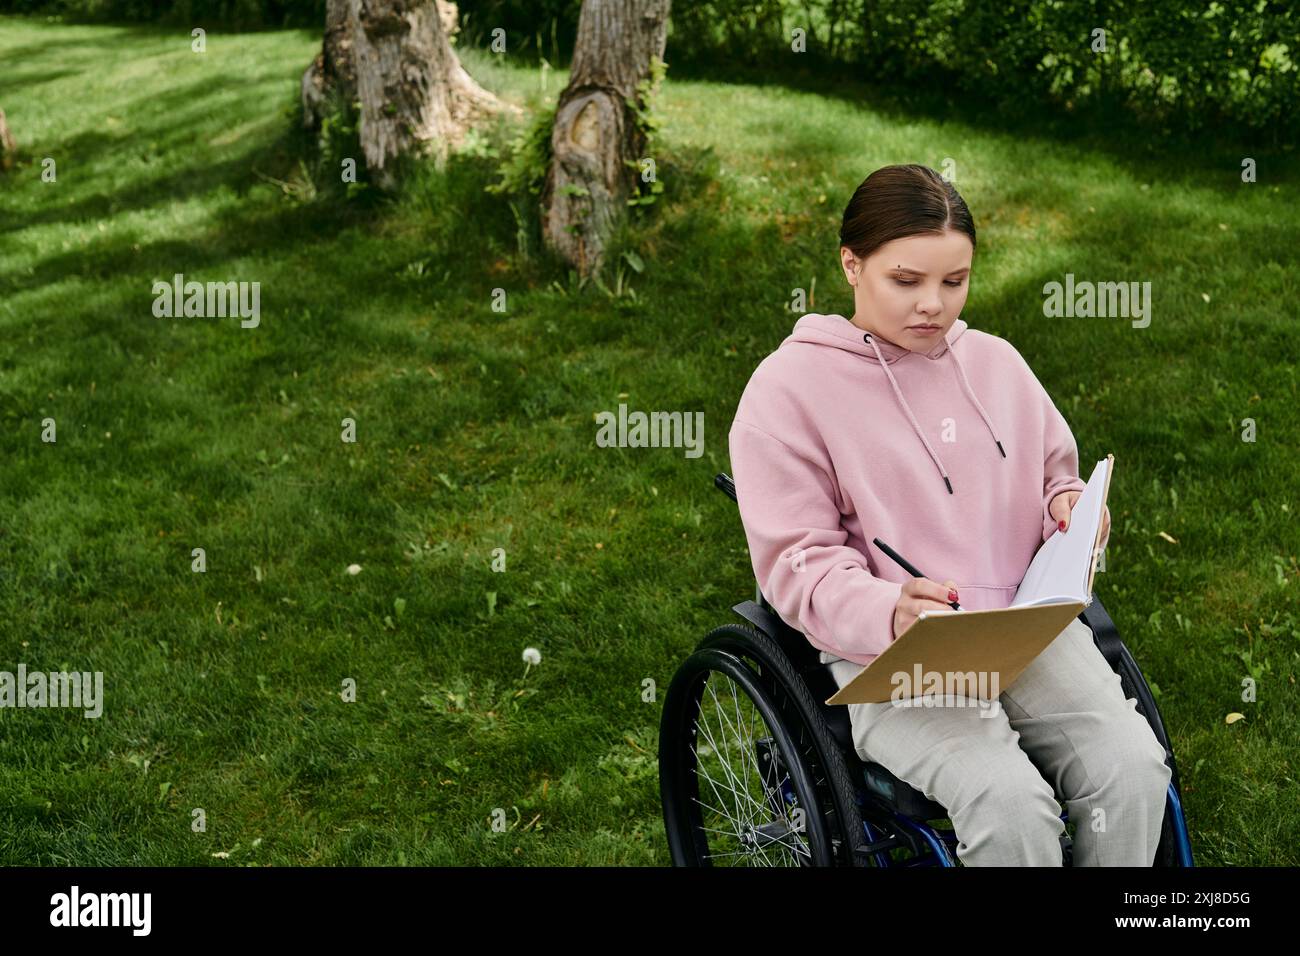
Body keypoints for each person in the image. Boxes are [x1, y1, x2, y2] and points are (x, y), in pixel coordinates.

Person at [727, 164, 1171, 866]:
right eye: (907, 281)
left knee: (1133, 771)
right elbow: (798, 564)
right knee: (1011, 808)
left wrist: (1066, 503)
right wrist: (890, 609)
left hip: (1025, 626)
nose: (933, 305)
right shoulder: (787, 393)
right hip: (899, 657)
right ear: (851, 264)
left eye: (954, 282)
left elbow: (1054, 469)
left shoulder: (996, 362)